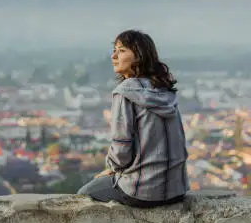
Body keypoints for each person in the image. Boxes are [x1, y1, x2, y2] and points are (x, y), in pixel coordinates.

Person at [77, 29, 189, 208]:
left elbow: (121, 149)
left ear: (139, 56)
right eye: (114, 50)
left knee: (84, 196)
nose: (113, 56)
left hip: (142, 191)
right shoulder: (166, 91)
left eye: (121, 51)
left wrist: (111, 169)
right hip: (177, 190)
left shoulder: (125, 93)